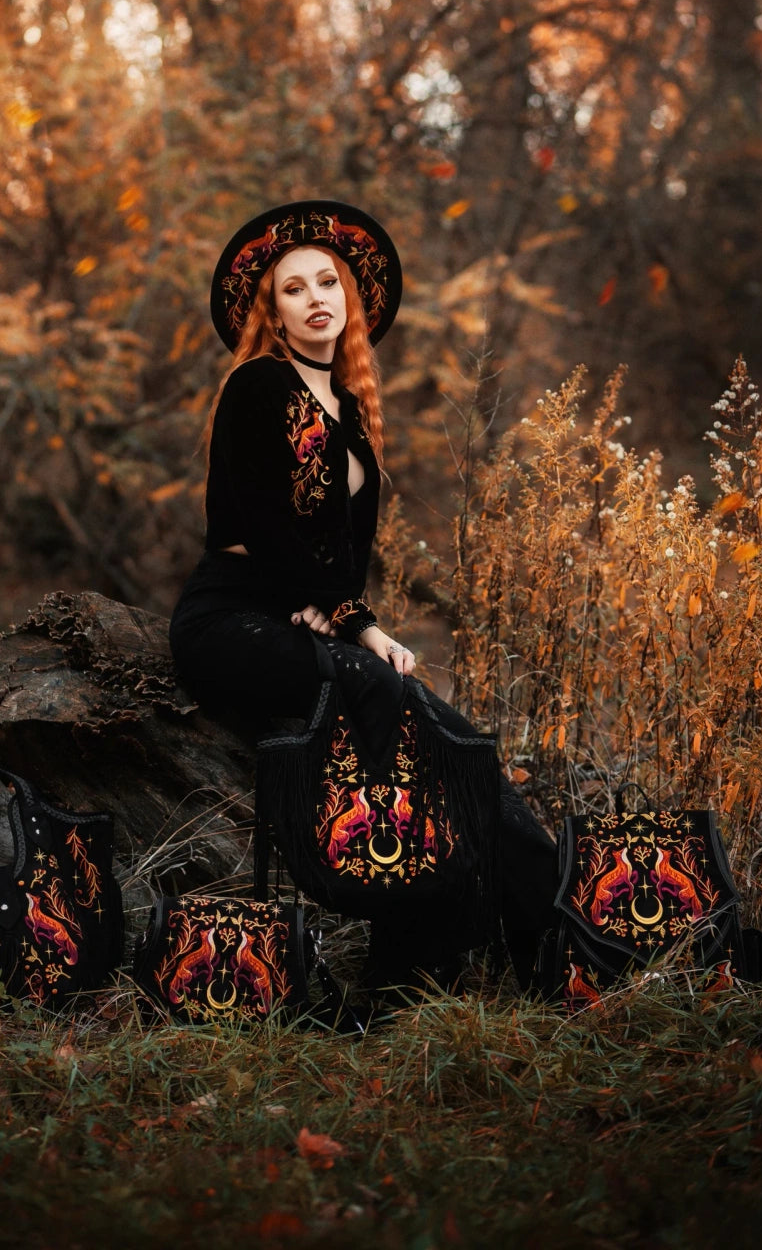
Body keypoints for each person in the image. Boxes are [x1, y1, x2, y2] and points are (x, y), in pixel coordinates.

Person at [169, 200, 557, 991]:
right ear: (272, 313)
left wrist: (334, 607)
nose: (315, 298)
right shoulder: (257, 386)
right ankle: (414, 949)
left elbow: (342, 561)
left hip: (296, 616)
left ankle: (541, 929)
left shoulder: (346, 413)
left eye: (327, 282)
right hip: (228, 620)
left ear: (349, 296)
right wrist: (359, 626)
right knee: (383, 687)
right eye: (292, 289)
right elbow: (267, 529)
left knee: (454, 741)